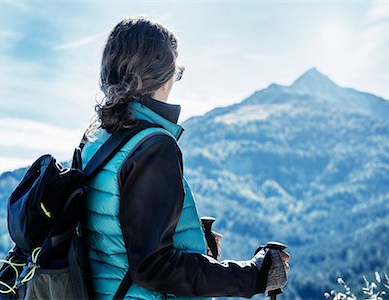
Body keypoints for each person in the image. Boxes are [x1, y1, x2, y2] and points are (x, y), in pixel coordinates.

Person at [80, 15, 291, 299]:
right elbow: (154, 267)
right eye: (175, 72)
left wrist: (188, 240)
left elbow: (112, 238)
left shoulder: (95, 140)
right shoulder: (153, 146)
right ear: (163, 76)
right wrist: (254, 274)